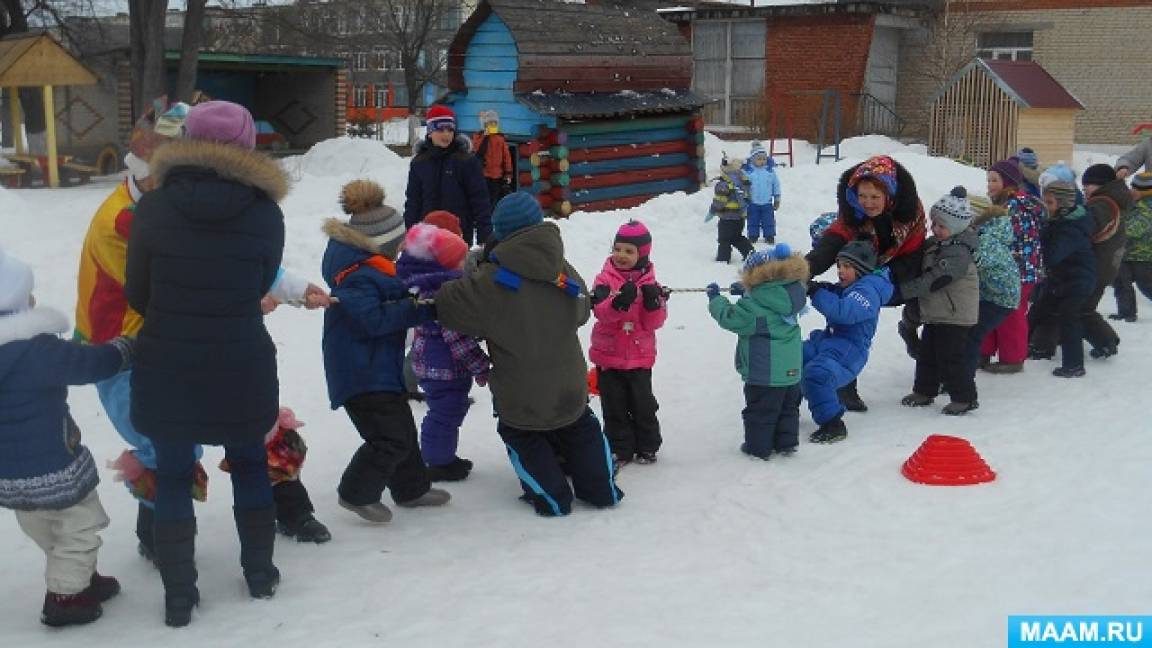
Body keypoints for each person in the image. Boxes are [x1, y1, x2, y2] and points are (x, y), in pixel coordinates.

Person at [125, 100, 287, 627]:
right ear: (246, 146)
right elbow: (260, 283)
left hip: (167, 358)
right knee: (248, 465)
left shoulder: (152, 207)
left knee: (172, 475)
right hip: (240, 357)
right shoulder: (265, 213)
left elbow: (137, 294)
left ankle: (178, 597)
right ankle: (259, 574)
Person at [435, 192, 622, 517]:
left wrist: (475, 269)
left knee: (523, 436)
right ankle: (602, 489)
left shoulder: (491, 281)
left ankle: (551, 498)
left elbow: (449, 306)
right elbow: (581, 309)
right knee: (580, 429)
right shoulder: (559, 267)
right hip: (570, 386)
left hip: (521, 395)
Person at [0, 249, 133, 627]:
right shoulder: (36, 349)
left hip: (8, 474)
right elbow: (89, 364)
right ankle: (66, 598)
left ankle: (79, 578)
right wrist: (123, 349)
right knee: (79, 526)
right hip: (53, 463)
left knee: (46, 528)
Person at [321, 179, 450, 522]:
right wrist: (420, 308)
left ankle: (411, 489)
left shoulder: (369, 266)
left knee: (402, 430)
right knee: (388, 438)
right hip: (360, 373)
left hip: (378, 368)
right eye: (396, 245)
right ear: (381, 245)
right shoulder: (355, 275)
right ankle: (356, 494)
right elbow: (373, 321)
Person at [806, 154, 926, 412]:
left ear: (889, 195)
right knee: (850, 324)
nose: (868, 203)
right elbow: (834, 241)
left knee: (919, 313)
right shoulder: (853, 211)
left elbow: (912, 254)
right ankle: (844, 388)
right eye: (863, 196)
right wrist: (806, 270)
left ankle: (927, 357)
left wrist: (885, 282)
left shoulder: (910, 212)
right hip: (863, 265)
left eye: (874, 197)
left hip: (899, 269)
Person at [395, 222, 487, 482]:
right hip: (444, 366)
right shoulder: (444, 295)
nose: (464, 267)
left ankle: (440, 455)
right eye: (460, 262)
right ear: (444, 267)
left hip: (432, 360)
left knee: (444, 410)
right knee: (446, 412)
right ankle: (438, 462)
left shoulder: (426, 289)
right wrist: (480, 367)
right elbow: (457, 337)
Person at [706, 244, 807, 458]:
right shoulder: (791, 293)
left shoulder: (754, 308)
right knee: (788, 409)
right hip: (791, 372)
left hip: (764, 373)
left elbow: (731, 317)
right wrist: (748, 292)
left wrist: (716, 299)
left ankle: (758, 448)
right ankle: (785, 443)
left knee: (761, 412)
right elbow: (768, 296)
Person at [589, 220, 668, 472]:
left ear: (642, 254)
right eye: (618, 249)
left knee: (643, 404)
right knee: (614, 406)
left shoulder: (651, 283)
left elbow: (654, 323)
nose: (621, 255)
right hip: (609, 357)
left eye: (629, 251)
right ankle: (619, 447)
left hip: (639, 357)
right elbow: (601, 313)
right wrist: (618, 303)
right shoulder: (604, 280)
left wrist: (653, 303)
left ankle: (648, 445)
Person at [1031, 164, 1131, 359]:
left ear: (1102, 184)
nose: (1085, 189)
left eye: (1089, 185)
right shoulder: (1109, 200)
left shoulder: (1101, 204)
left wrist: (1062, 219)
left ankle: (1046, 346)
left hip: (1092, 267)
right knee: (1078, 309)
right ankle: (1104, 342)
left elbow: (1083, 228)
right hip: (1100, 266)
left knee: (1074, 309)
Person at [897, 190, 980, 415]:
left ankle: (964, 397)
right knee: (927, 354)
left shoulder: (959, 254)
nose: (935, 230)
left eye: (941, 226)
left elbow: (934, 280)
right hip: (936, 312)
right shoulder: (937, 244)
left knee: (951, 358)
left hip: (955, 315)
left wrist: (902, 292)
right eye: (934, 224)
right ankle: (924, 390)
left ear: (956, 227)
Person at [802, 241, 894, 443]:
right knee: (794, 356)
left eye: (847, 267)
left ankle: (833, 424)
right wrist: (817, 287)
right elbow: (836, 293)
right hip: (830, 340)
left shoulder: (868, 291)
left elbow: (843, 312)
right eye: (839, 266)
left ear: (861, 269)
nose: (841, 271)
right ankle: (785, 408)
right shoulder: (852, 286)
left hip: (849, 351)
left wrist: (815, 292)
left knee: (818, 373)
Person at [978, 159, 1045, 374]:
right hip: (1003, 269)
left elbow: (1008, 237)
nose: (990, 184)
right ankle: (983, 351)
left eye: (995, 180)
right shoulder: (1003, 203)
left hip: (1020, 271)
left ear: (1008, 182)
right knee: (990, 307)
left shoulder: (1015, 206)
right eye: (989, 179)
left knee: (1011, 313)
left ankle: (1013, 358)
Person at [1028, 181, 1096, 377]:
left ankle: (1074, 365)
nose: (1045, 207)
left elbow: (1052, 255)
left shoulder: (1070, 228)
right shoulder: (1059, 222)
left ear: (1064, 205)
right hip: (1060, 279)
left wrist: (1041, 234)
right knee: (1037, 311)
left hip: (1078, 280)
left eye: (1049, 203)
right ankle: (1016, 350)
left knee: (1070, 317)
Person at [403, 104, 492, 246]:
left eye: (450, 129)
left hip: (458, 236)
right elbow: (413, 202)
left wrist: (485, 236)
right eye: (440, 129)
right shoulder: (419, 163)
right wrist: (411, 233)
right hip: (427, 237)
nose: (446, 134)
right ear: (430, 132)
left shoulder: (466, 161)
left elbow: (480, 200)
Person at [967, 192, 1021, 377]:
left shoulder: (985, 240)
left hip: (1000, 298)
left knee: (971, 332)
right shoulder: (987, 232)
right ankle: (970, 363)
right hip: (991, 293)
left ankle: (963, 374)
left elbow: (972, 263)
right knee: (971, 329)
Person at [1110, 172, 1152, 321]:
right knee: (1121, 281)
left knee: (1146, 284)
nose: (1131, 191)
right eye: (1131, 187)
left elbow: (1135, 229)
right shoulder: (1132, 204)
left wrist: (1114, 230)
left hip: (1143, 256)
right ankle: (1126, 312)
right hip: (1126, 252)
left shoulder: (1148, 208)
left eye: (1136, 189)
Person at [706, 154, 755, 263]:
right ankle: (750, 253)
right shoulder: (742, 179)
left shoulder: (724, 183)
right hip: (740, 218)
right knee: (737, 237)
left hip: (727, 219)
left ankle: (723, 259)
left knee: (724, 239)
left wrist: (712, 211)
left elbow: (720, 201)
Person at [470, 110, 514, 208]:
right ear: (485, 124)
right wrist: (485, 137)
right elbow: (477, 152)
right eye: (490, 123)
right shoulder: (478, 136)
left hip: (497, 175)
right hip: (483, 174)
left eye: (495, 123)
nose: (493, 125)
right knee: (483, 199)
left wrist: (508, 173)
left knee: (495, 200)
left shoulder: (500, 138)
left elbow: (506, 157)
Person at [741, 141, 782, 244]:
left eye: (764, 158)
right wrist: (744, 199)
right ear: (753, 159)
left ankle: (769, 235)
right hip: (753, 202)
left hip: (767, 203)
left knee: (768, 220)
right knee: (752, 220)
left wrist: (777, 198)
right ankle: (753, 235)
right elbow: (743, 186)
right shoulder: (748, 172)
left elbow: (776, 185)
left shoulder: (770, 171)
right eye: (759, 159)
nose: (762, 161)